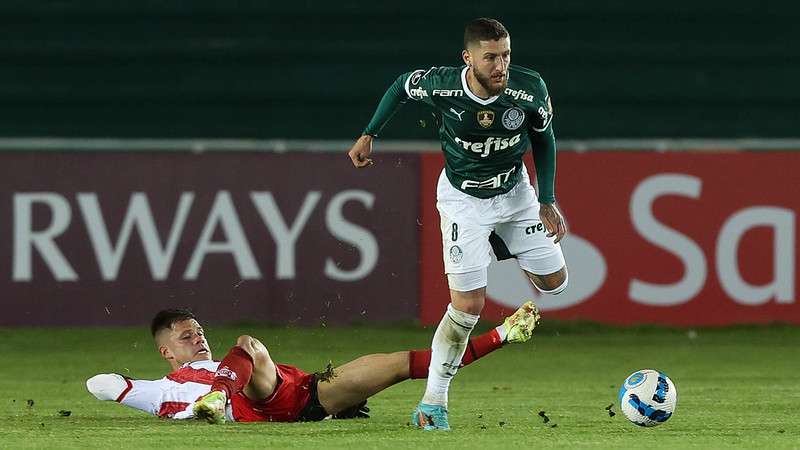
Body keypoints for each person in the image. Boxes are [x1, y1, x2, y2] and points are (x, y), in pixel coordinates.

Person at [346, 17, 569, 431]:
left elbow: (544, 136)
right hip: (464, 201)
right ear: (468, 59)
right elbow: (400, 86)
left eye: (505, 55)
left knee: (556, 282)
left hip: (515, 193)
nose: (500, 66)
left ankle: (499, 243)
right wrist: (368, 134)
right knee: (468, 307)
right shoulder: (443, 85)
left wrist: (547, 198)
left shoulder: (529, 87)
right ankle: (434, 404)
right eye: (490, 58)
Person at [86, 303, 540, 425]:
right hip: (256, 404)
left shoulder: (227, 364)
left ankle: (504, 334)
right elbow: (103, 384)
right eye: (187, 336)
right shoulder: (167, 386)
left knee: (405, 362)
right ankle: (217, 400)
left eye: (200, 330)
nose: (198, 337)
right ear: (166, 352)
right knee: (249, 342)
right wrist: (126, 389)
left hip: (308, 395)